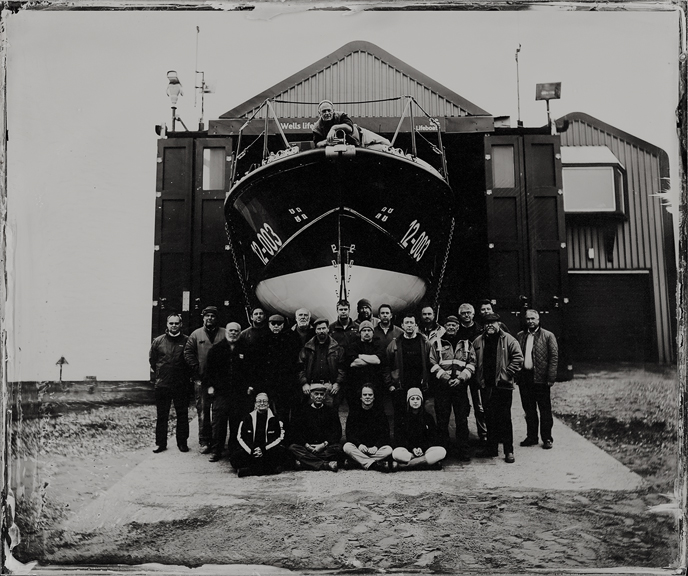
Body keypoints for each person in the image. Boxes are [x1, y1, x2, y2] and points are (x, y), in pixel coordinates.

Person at [473, 313, 523, 464]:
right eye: (487, 323)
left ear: (499, 324)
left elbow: (518, 358)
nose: (490, 326)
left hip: (503, 386)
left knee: (504, 418)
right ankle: (491, 448)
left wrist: (506, 374)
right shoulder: (478, 341)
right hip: (486, 386)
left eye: (493, 323)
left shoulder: (508, 339)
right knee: (489, 417)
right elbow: (472, 359)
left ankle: (509, 451)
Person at [203, 322, 253, 462]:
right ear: (226, 332)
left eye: (236, 331)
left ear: (240, 332)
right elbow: (209, 371)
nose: (233, 333)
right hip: (221, 393)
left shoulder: (246, 348)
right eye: (230, 331)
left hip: (240, 394)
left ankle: (234, 450)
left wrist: (251, 386)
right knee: (219, 423)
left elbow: (253, 371)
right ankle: (216, 451)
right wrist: (210, 387)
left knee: (236, 423)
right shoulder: (216, 349)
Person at [429, 315, 476, 461]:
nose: (451, 327)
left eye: (454, 325)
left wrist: (461, 378)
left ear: (458, 327)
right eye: (448, 325)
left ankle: (463, 450)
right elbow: (432, 362)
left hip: (460, 387)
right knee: (442, 420)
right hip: (443, 387)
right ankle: (443, 451)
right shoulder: (436, 343)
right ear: (444, 327)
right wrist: (446, 378)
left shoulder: (466, 344)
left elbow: (472, 363)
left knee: (462, 420)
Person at [184, 306, 227, 451]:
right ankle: (204, 441)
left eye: (212, 316)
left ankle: (217, 442)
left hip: (220, 381)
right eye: (207, 316)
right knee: (203, 411)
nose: (210, 318)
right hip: (201, 380)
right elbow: (188, 353)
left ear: (217, 318)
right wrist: (196, 368)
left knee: (219, 411)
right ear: (203, 318)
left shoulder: (225, 333)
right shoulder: (196, 335)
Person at [516, 309, 559, 450]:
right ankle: (532, 437)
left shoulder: (548, 336)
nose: (530, 321)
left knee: (544, 410)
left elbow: (554, 358)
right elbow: (516, 356)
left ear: (538, 320)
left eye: (533, 318)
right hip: (525, 378)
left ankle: (547, 438)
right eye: (528, 319)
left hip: (541, 379)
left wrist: (550, 378)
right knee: (529, 410)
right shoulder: (521, 336)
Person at [384, 313, 431, 439]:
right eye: (407, 323)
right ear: (402, 325)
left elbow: (430, 363)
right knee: (400, 416)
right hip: (400, 386)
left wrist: (427, 383)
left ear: (416, 325)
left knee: (419, 415)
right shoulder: (394, 344)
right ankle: (400, 444)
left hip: (419, 386)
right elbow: (386, 366)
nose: (409, 325)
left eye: (412, 323)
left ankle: (419, 443)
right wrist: (390, 385)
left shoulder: (424, 342)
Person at [149, 314, 191, 453]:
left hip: (181, 384)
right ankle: (160, 444)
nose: (174, 325)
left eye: (176, 323)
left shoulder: (187, 341)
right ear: (167, 325)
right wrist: (162, 374)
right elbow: (153, 361)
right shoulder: (158, 341)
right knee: (162, 416)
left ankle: (182, 443)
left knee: (182, 414)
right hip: (163, 385)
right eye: (171, 323)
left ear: (181, 324)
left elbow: (190, 361)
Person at [288, 383, 343, 471]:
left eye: (321, 394)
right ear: (311, 396)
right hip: (308, 447)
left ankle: (305, 462)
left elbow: (337, 432)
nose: (319, 396)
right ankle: (325, 464)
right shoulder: (303, 411)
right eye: (316, 394)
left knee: (338, 448)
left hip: (323, 447)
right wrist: (307, 446)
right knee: (293, 448)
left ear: (325, 396)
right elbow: (296, 432)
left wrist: (323, 444)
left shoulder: (331, 411)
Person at [230, 392, 286, 477]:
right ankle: (269, 469)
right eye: (259, 401)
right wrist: (251, 451)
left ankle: (248, 471)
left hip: (267, 450)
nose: (262, 403)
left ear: (268, 404)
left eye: (264, 401)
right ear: (255, 404)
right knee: (235, 458)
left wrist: (263, 449)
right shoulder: (247, 418)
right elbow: (240, 437)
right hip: (252, 450)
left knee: (280, 454)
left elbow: (279, 437)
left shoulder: (275, 419)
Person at [392, 388, 446, 470]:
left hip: (424, 451)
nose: (415, 401)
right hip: (409, 451)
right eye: (412, 399)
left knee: (442, 451)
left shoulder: (428, 417)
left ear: (421, 401)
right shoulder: (402, 418)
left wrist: (422, 448)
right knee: (396, 453)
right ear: (408, 401)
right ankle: (426, 463)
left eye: (418, 398)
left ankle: (407, 466)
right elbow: (399, 438)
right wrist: (412, 449)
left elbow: (433, 437)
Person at [262, 314, 302, 426]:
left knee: (290, 410)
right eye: (273, 324)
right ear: (269, 324)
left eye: (279, 324)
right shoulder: (263, 338)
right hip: (270, 381)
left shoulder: (292, 337)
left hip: (288, 381)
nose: (276, 326)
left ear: (283, 325)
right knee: (273, 411)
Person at [343, 385, 393, 471]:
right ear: (361, 397)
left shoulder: (380, 412)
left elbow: (385, 434)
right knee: (347, 446)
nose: (367, 397)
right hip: (360, 449)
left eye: (370, 395)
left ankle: (357, 462)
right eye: (365, 395)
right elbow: (349, 433)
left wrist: (376, 447)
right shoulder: (354, 412)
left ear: (374, 397)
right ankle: (373, 464)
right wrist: (359, 445)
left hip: (374, 450)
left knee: (388, 449)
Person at [298, 318, 345, 409]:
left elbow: (342, 367)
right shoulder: (307, 348)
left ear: (328, 329)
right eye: (319, 329)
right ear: (315, 330)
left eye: (323, 328)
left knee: (330, 416)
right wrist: (304, 383)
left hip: (329, 387)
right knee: (312, 416)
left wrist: (337, 383)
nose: (321, 331)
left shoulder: (337, 348)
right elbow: (300, 367)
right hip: (312, 387)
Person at [457, 303, 487, 444]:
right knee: (462, 406)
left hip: (477, 373)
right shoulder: (456, 331)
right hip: (461, 372)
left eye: (469, 312)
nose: (466, 315)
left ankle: (483, 433)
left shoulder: (480, 330)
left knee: (479, 405)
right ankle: (464, 436)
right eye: (463, 313)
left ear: (473, 314)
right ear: (460, 315)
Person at [344, 321, 385, 407]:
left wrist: (359, 356)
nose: (366, 332)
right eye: (364, 330)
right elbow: (353, 363)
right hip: (356, 384)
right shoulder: (353, 346)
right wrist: (371, 359)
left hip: (375, 383)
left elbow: (377, 361)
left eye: (369, 330)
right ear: (360, 333)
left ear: (373, 333)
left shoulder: (378, 345)